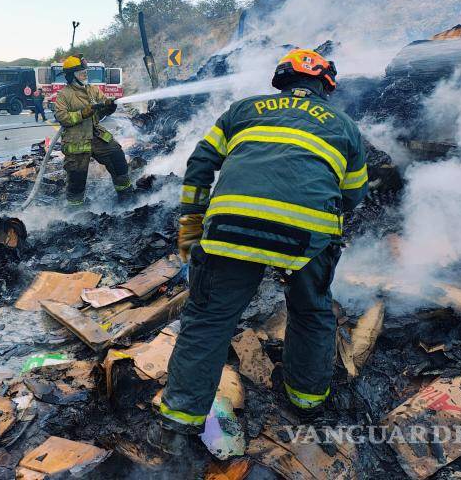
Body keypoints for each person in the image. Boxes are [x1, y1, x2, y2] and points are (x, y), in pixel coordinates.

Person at [153, 48, 368, 452]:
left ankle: (180, 418)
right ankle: (307, 400)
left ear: (282, 80)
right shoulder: (345, 126)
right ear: (325, 84)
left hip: (231, 228)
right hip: (307, 238)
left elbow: (200, 164)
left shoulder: (242, 110)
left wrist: (191, 223)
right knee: (311, 311)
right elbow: (354, 196)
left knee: (209, 317)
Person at [53, 54, 134, 206]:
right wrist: (82, 114)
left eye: (85, 71)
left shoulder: (92, 90)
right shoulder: (64, 95)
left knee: (117, 158)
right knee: (77, 179)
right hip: (76, 140)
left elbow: (101, 111)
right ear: (71, 76)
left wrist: (109, 107)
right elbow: (61, 117)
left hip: (97, 136)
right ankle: (75, 212)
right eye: (81, 72)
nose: (85, 74)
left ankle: (126, 196)